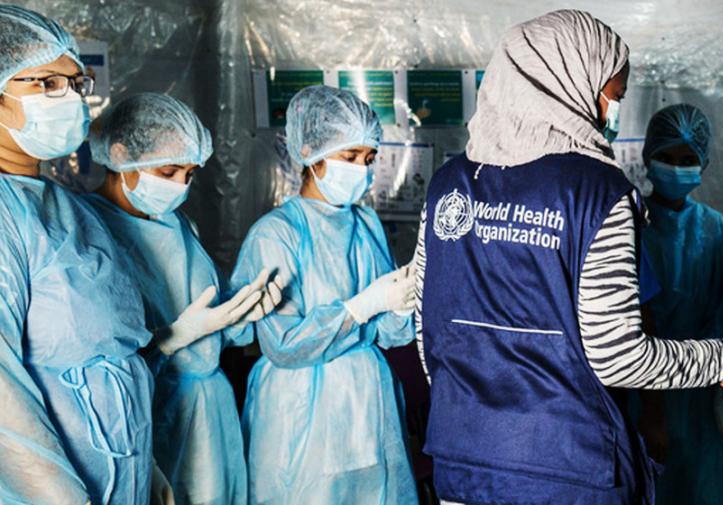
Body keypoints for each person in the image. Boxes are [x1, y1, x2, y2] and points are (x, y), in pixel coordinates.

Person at [413, 10, 723, 504]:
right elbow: (616, 356)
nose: (606, 115)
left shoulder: (449, 184)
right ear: (568, 82)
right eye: (611, 96)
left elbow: (427, 331)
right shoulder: (597, 191)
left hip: (463, 462)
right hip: (563, 468)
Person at [84, 92, 285, 505]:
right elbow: (91, 361)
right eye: (169, 170)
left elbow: (206, 312)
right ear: (119, 154)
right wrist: (170, 339)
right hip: (146, 414)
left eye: (189, 173)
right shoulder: (86, 229)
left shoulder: (178, 224)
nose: (180, 186)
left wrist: (237, 315)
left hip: (211, 411)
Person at [0, 5, 159, 504]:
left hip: (121, 463)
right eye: (48, 83)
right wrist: (59, 495)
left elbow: (114, 344)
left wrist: (146, 462)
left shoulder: (68, 205)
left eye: (74, 84)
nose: (69, 98)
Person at [232, 85, 418, 504]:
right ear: (310, 152)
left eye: (368, 159)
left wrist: (401, 304)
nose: (362, 170)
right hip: (300, 409)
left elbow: (390, 334)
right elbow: (283, 345)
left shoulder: (367, 223)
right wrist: (362, 306)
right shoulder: (276, 233)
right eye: (349, 157)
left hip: (367, 399)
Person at [639, 104, 723, 504]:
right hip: (642, 384)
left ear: (703, 164)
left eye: (687, 161)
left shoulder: (715, 228)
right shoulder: (629, 225)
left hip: (704, 387)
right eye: (665, 157)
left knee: (709, 488)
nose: (675, 168)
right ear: (647, 157)